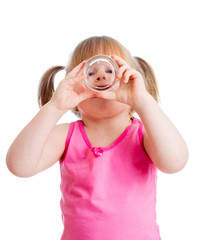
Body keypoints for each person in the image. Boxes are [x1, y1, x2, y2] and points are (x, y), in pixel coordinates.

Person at [6, 36, 189, 240]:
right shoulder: (67, 135)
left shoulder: (144, 134)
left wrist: (143, 101)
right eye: (90, 74)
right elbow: (19, 166)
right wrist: (55, 107)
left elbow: (175, 162)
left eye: (111, 71)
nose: (101, 77)